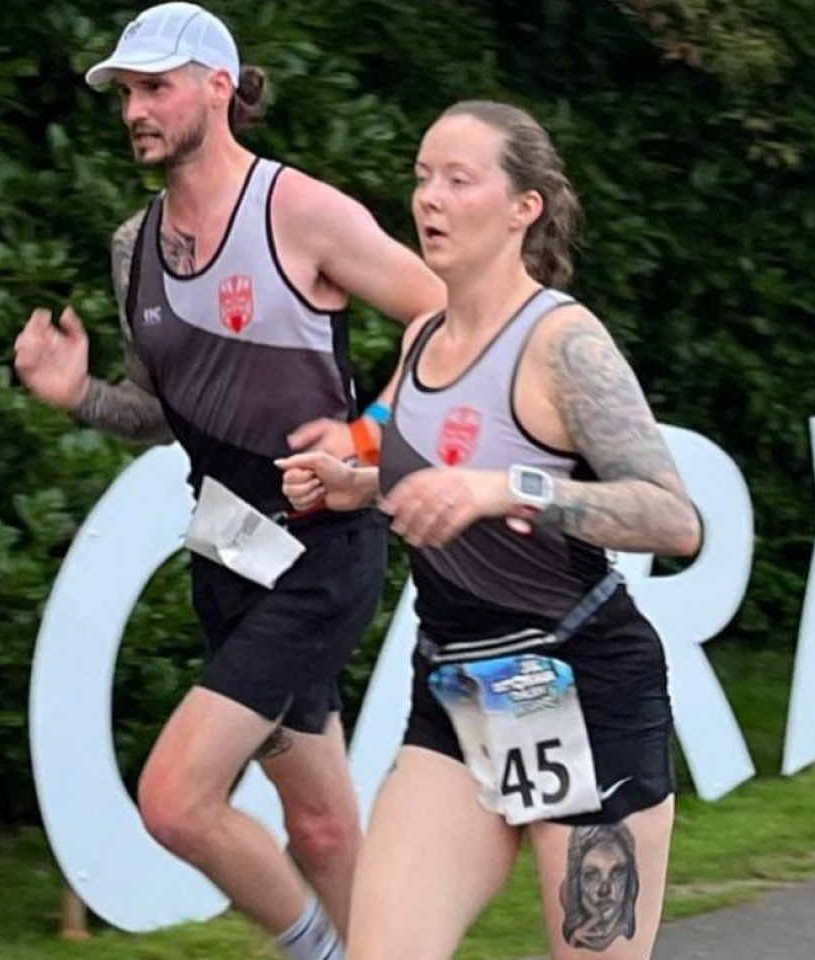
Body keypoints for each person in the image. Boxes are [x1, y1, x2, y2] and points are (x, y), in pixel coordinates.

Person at [12, 5, 443, 959]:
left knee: (174, 802)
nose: (134, 110)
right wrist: (76, 394)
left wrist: (368, 439)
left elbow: (445, 319)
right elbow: (164, 412)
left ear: (219, 87)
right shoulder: (137, 247)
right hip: (227, 556)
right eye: (124, 92)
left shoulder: (301, 211)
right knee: (323, 830)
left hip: (323, 551)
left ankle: (315, 950)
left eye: (155, 87)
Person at [278, 100, 702, 960]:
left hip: (585, 685)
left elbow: (674, 518)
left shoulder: (563, 341)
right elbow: (426, 479)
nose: (429, 198)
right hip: (461, 686)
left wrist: (509, 487)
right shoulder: (422, 337)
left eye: (458, 180)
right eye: (422, 177)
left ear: (523, 208)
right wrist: (353, 485)